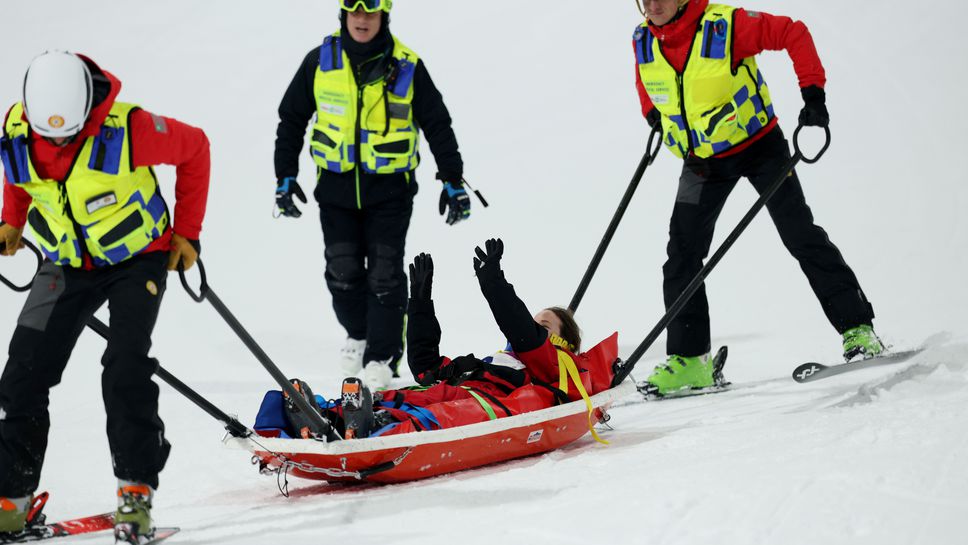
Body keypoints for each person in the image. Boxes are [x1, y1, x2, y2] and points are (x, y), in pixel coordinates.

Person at [0, 51, 210, 542]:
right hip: (66, 263)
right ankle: (11, 497)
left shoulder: (129, 128)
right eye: (46, 134)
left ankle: (135, 494)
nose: (55, 142)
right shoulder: (16, 126)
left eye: (66, 134)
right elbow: (18, 168)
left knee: (124, 365)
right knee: (22, 371)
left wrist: (189, 233)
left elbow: (196, 148)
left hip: (138, 260)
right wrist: (12, 218)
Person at [632, 0, 884, 394]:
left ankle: (858, 329)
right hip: (701, 162)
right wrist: (652, 114)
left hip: (759, 147)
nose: (653, 4)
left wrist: (812, 95)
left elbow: (792, 32)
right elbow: (648, 81)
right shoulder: (644, 39)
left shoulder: (726, 25)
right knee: (681, 254)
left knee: (799, 234)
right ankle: (690, 360)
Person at [273, 0, 471, 391]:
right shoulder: (320, 61)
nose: (362, 20)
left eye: (371, 12)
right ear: (344, 14)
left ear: (384, 15)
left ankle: (382, 356)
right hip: (335, 189)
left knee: (384, 274)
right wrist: (285, 175)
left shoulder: (407, 65)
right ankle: (359, 335)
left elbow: (436, 122)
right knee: (342, 271)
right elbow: (292, 118)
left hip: (390, 191)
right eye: (355, 11)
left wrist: (452, 179)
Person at [281, 240, 619, 440]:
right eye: (534, 321)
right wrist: (420, 303)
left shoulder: (560, 368)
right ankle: (329, 417)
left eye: (544, 324)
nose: (534, 326)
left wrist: (494, 284)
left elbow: (525, 335)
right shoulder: (495, 365)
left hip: (488, 407)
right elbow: (426, 367)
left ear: (565, 343)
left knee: (446, 412)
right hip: (466, 390)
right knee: (417, 394)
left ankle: (375, 426)